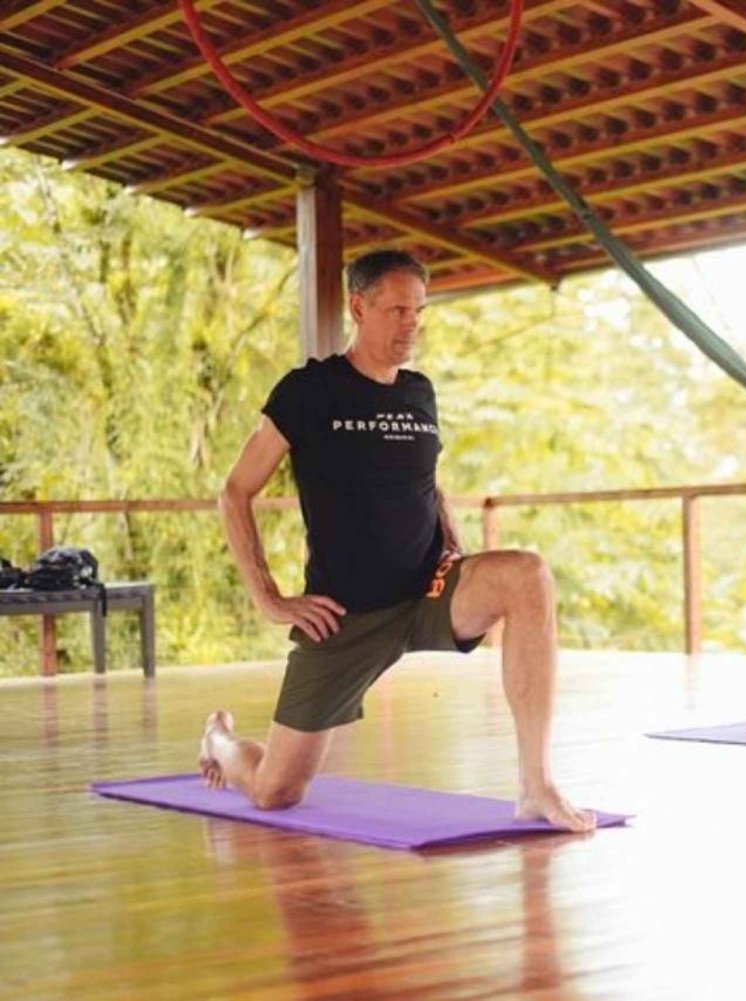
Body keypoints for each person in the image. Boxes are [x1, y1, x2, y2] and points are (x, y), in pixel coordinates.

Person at [198, 249, 594, 832]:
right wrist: (271, 599)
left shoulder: (419, 394)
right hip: (345, 615)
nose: (412, 324)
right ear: (359, 308)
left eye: (420, 312)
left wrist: (454, 551)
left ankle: (536, 783)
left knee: (527, 573)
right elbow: (234, 492)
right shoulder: (309, 391)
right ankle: (220, 740)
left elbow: (424, 484)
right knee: (275, 792)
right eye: (398, 310)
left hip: (429, 591)